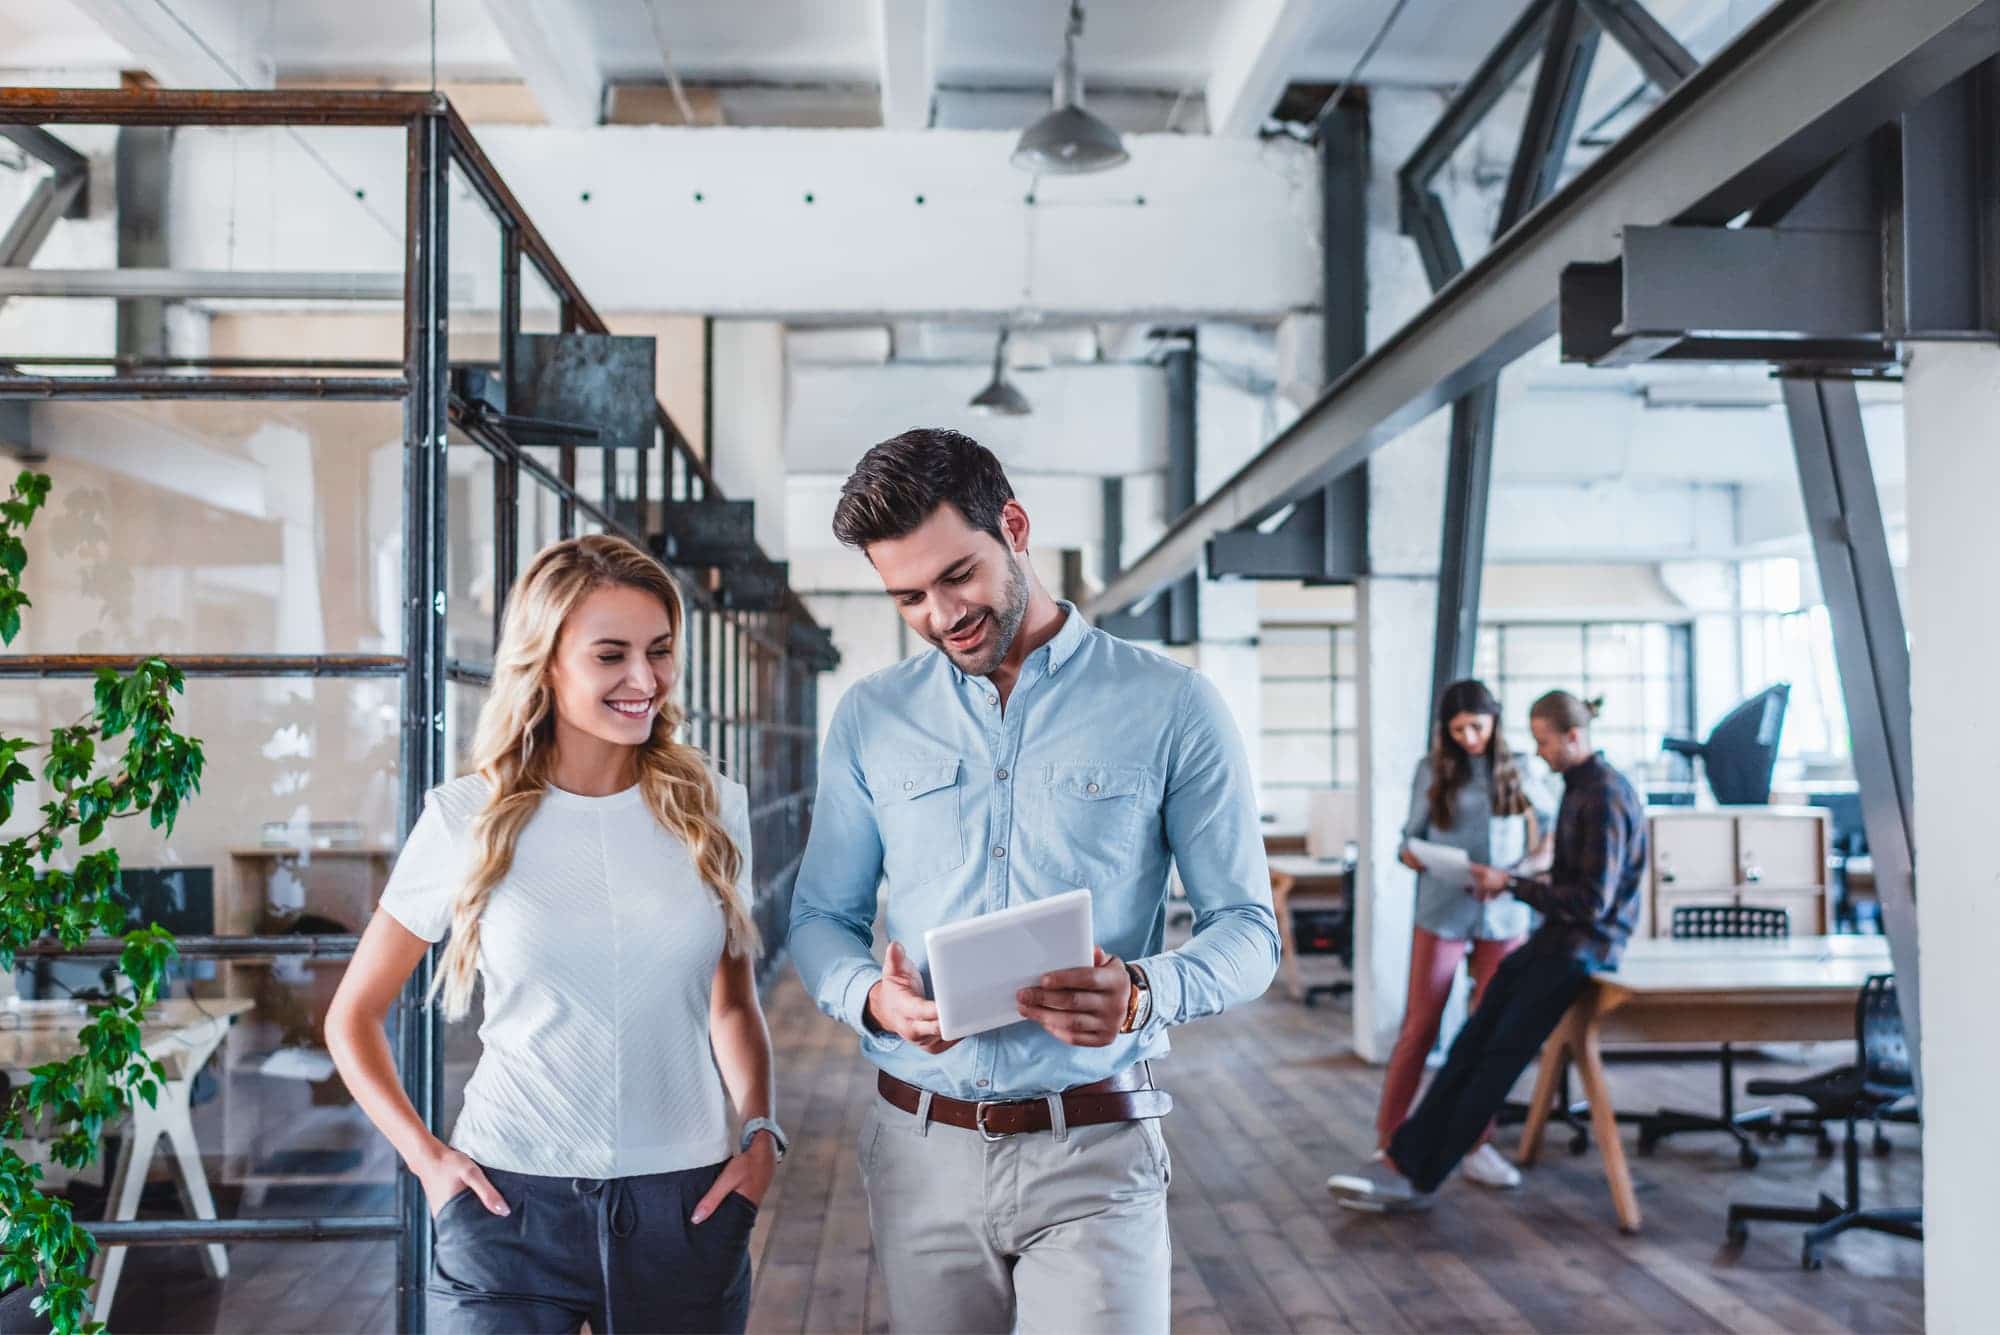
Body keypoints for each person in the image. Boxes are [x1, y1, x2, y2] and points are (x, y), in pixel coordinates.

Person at [789, 428, 1279, 1334]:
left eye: (957, 576)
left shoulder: (1173, 705)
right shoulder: (871, 717)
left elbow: (1249, 928)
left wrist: (1143, 990)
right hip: (920, 1150)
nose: (941, 614)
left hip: (1095, 1144)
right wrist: (871, 998)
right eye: (909, 597)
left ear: (1014, 526)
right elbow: (819, 917)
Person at [325, 535, 782, 1334]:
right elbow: (351, 1015)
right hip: (507, 1211)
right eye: (611, 655)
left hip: (688, 1206)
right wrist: (431, 1165)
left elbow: (733, 1006)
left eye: (660, 651)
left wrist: (760, 1134)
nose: (644, 680)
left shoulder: (713, 806)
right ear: (547, 664)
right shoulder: (467, 816)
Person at [1328, 690, 1646, 1213]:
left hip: (1581, 947)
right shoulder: (1579, 788)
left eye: (1544, 741)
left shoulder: (1605, 795)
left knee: (1496, 1054)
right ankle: (1400, 1156)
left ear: (1572, 736)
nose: (1539, 752)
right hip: (1551, 937)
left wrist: (1512, 884)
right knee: (1473, 1039)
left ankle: (1416, 1172)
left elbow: (1592, 902)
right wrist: (1519, 881)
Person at [1378, 679, 1554, 1190]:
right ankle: (1391, 1140)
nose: (1469, 738)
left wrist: (1521, 871)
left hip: (1504, 913)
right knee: (1421, 1026)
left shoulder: (1522, 768)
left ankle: (1477, 1143)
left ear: (1494, 720)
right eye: (1458, 730)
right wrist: (1423, 857)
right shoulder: (1432, 770)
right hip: (1443, 908)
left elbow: (1550, 832)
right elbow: (1408, 842)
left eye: (1476, 726)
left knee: (1488, 1033)